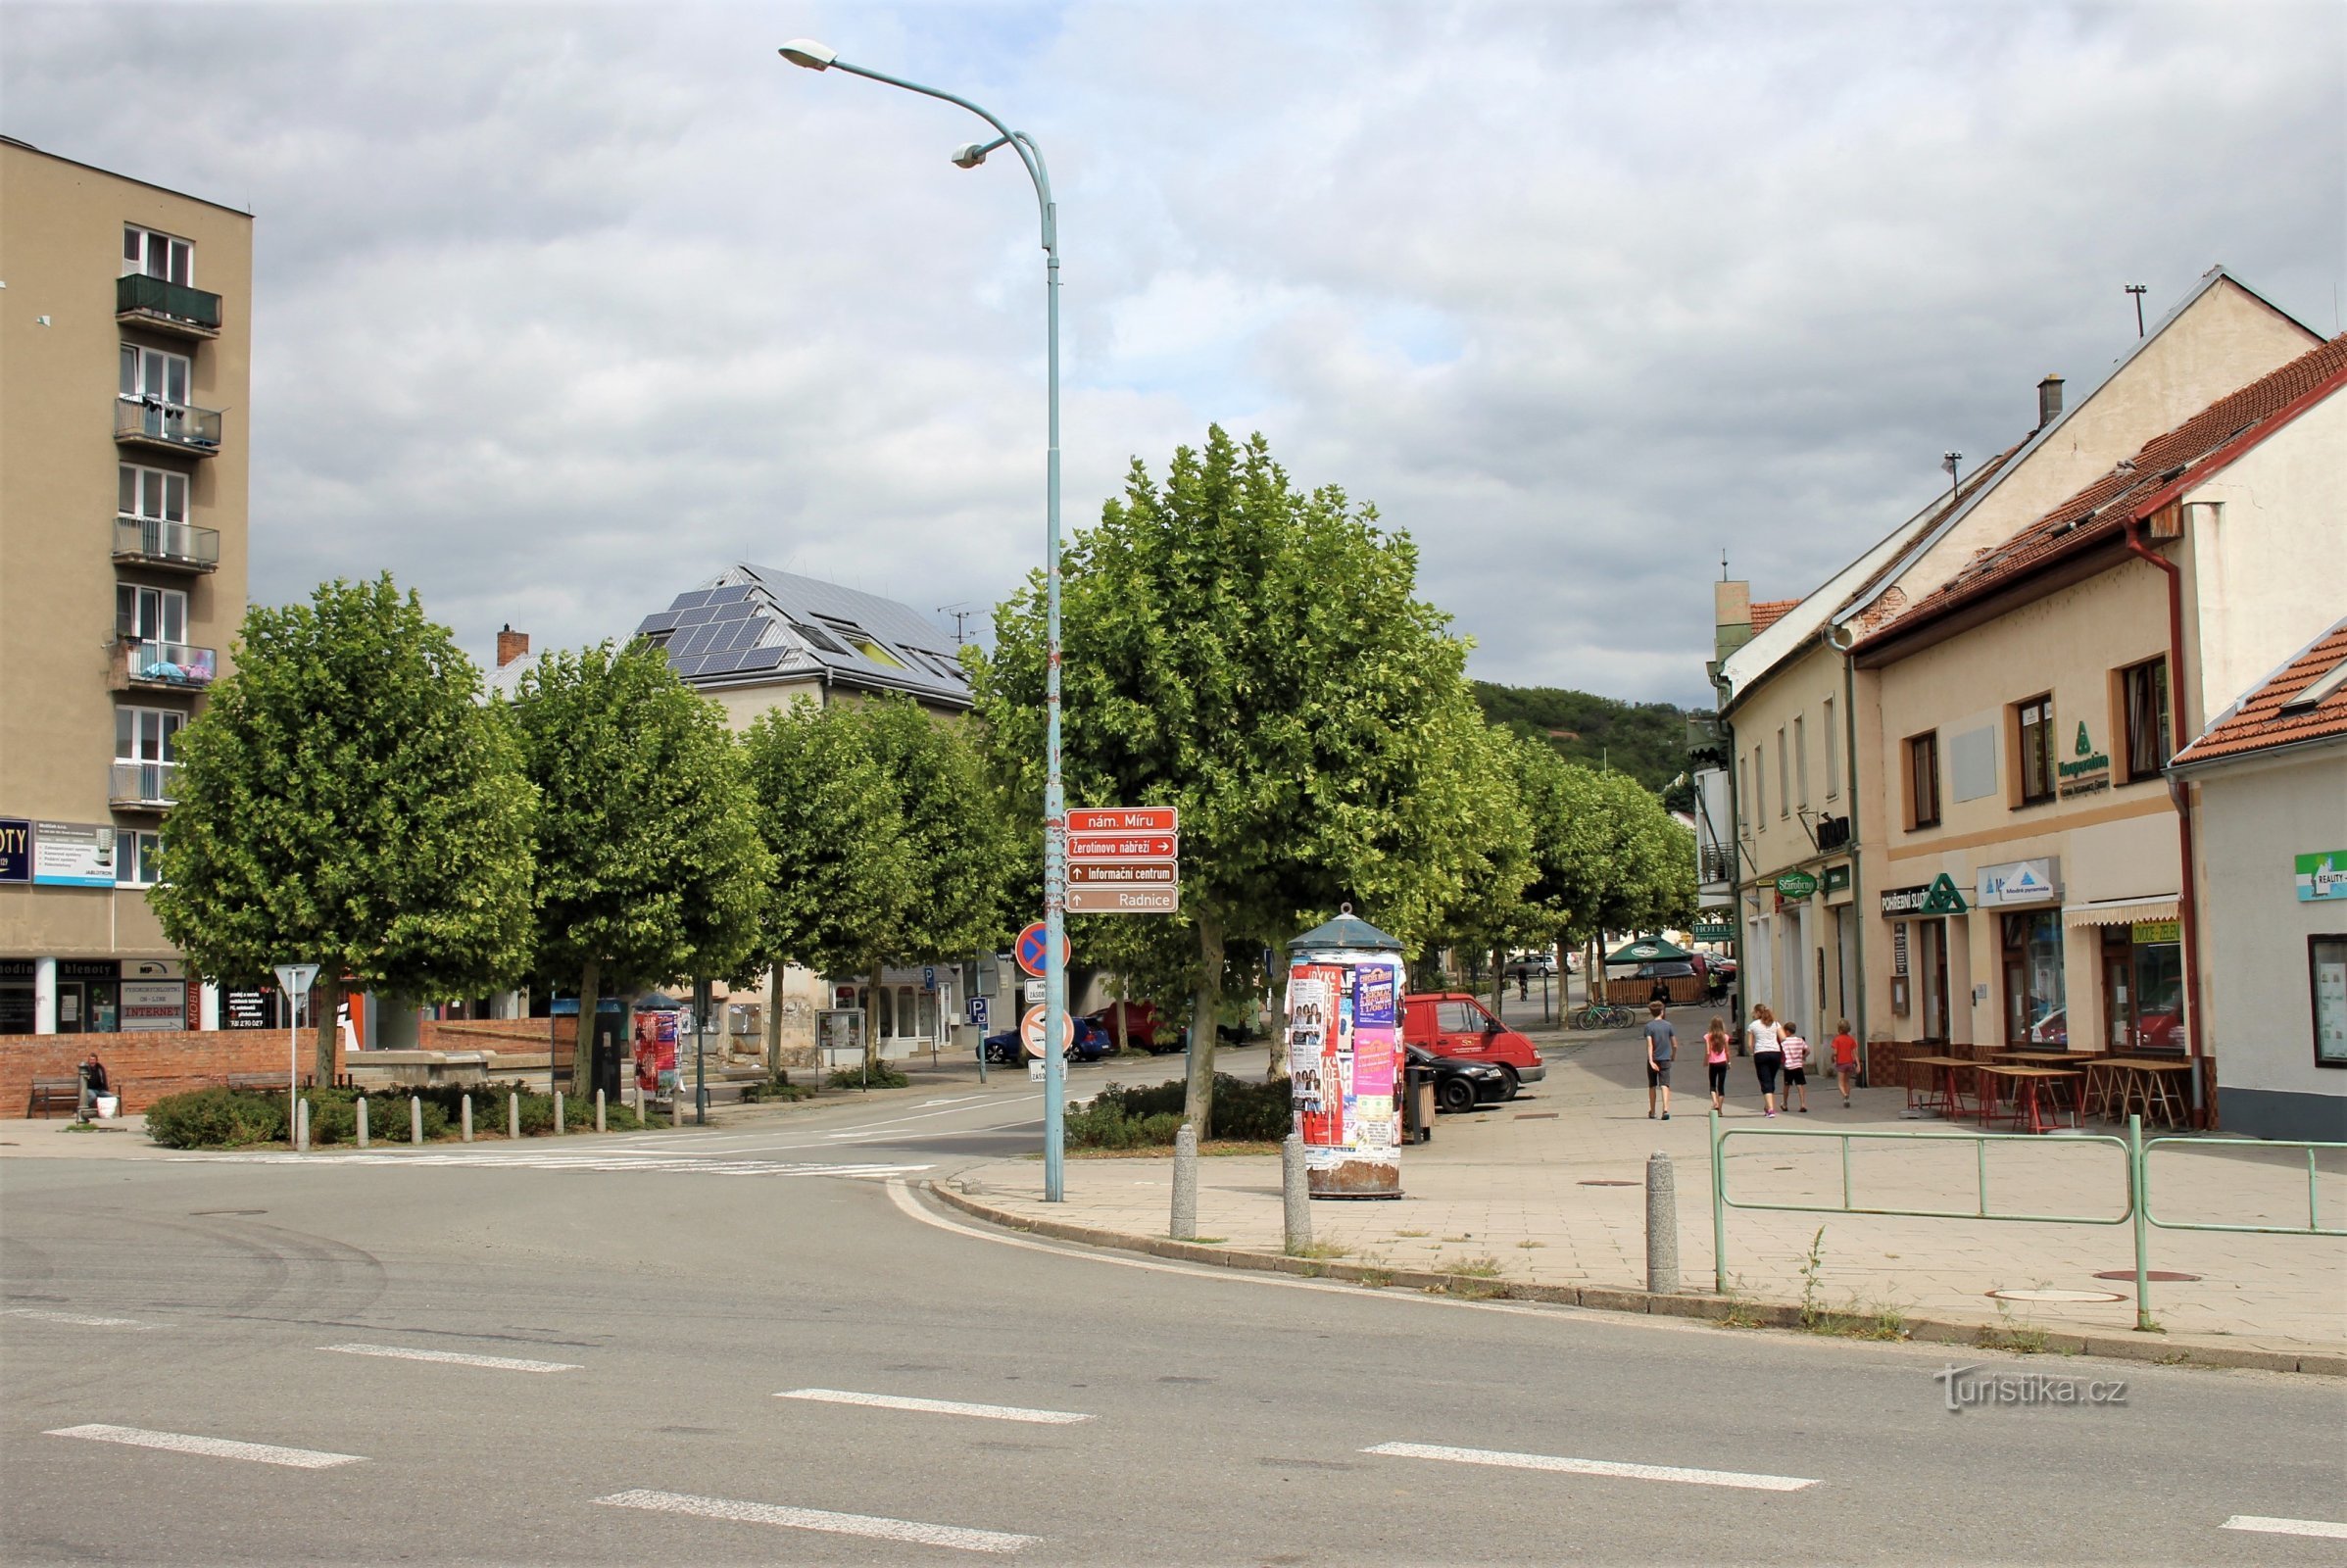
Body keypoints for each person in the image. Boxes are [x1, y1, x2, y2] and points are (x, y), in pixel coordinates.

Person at [1746, 1003, 1784, 1117]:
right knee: (1770, 1080)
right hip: (1775, 1054)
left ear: (1758, 1013)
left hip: (1761, 1054)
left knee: (1765, 1081)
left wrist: (1753, 1052)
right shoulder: (1776, 1024)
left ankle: (1771, 1110)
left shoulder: (1753, 1025)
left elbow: (1749, 1044)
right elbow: (1783, 1038)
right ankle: (1768, 1106)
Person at [1642, 1001, 1677, 1120]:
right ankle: (1665, 1109)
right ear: (1662, 1011)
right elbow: (1675, 1044)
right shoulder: (1668, 1025)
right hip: (1665, 1059)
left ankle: (1652, 1111)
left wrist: (1651, 1061)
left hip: (1654, 1059)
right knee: (1664, 1084)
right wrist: (1673, 1055)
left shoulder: (1649, 1027)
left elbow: (1650, 1045)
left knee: (1652, 1085)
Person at [1780, 1019, 1811, 1112]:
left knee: (1787, 1085)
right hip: (1798, 1066)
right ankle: (1802, 1104)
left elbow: (1782, 1052)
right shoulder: (1800, 1040)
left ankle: (1785, 1104)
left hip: (1788, 1066)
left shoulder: (1784, 1042)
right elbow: (1808, 1050)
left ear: (1787, 1031)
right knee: (1800, 1085)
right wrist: (1803, 1057)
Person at [1704, 1015, 1732, 1112]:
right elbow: (1727, 1051)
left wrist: (1705, 1061)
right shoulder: (1725, 1037)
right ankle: (1719, 1109)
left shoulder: (1708, 1036)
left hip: (1713, 1063)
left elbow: (1707, 1051)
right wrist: (1729, 1062)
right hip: (1722, 1063)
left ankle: (1715, 1102)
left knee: (1712, 1085)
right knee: (1721, 1086)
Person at [1832, 1018, 1860, 1106]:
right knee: (1847, 1081)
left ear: (1839, 1029)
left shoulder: (1837, 1039)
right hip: (1850, 1063)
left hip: (1841, 1063)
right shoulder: (1851, 1039)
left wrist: (1833, 1058)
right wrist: (1858, 1065)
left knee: (1840, 1082)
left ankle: (1845, 1095)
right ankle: (1847, 1099)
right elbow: (1855, 1053)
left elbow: (1835, 1052)